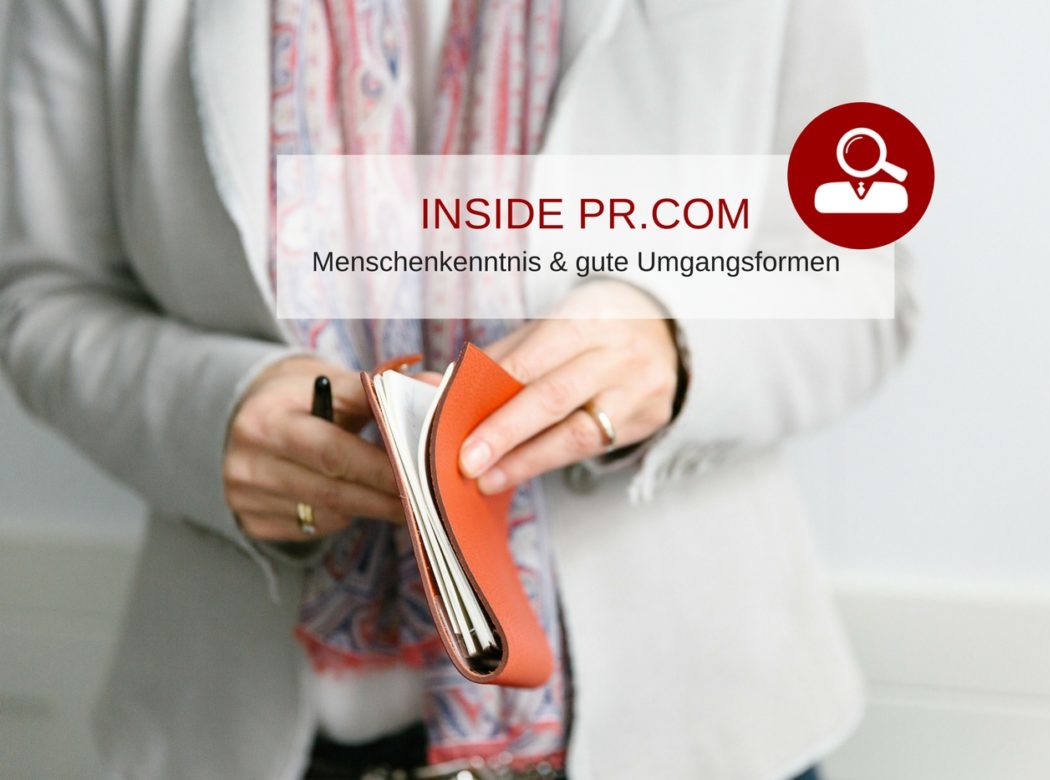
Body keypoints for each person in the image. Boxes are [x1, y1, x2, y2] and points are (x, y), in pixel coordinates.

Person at [0, 0, 915, 778]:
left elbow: (862, 278)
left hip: (691, 715)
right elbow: (41, 292)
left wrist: (674, 346)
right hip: (251, 722)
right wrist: (207, 413)